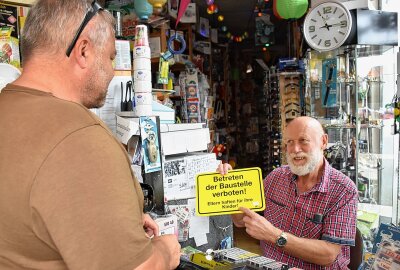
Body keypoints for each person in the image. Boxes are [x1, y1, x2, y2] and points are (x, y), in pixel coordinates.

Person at [0, 1, 180, 269]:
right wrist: (165, 252)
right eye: (109, 57)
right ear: (83, 51)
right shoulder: (80, 138)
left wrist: (116, 216)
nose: (110, 72)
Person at [217, 116, 358, 269]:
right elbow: (240, 220)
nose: (295, 149)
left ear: (323, 142)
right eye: (290, 142)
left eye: (303, 140)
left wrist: (273, 235)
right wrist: (230, 187)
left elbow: (329, 255)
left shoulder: (344, 190)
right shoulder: (276, 177)